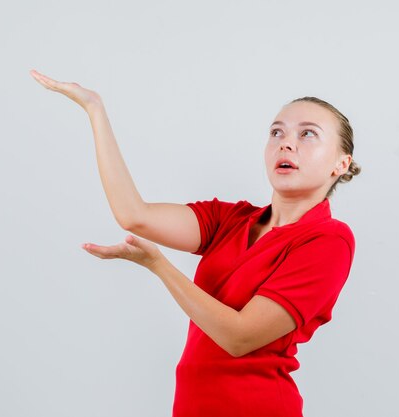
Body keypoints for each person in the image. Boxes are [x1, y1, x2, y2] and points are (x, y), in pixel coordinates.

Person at [30, 69, 361, 417]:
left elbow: (239, 337)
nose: (286, 142)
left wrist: (159, 266)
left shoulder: (330, 240)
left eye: (308, 134)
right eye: (276, 132)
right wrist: (95, 111)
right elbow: (134, 215)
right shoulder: (229, 219)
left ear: (341, 164)